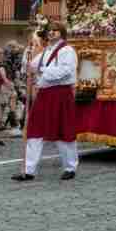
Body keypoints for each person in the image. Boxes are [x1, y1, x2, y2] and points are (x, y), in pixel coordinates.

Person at [14, 21, 79, 181]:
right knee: (35, 131)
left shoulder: (67, 50)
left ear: (61, 33)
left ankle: (70, 167)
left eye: (55, 31)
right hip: (44, 95)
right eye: (49, 31)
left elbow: (66, 71)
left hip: (60, 94)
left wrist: (41, 70)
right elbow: (30, 67)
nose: (51, 33)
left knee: (63, 132)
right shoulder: (45, 52)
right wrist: (28, 55)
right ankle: (29, 170)